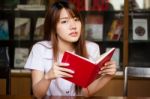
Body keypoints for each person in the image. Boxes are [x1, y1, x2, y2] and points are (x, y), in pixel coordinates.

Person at [24, 0, 116, 98]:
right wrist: (48, 77)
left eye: (76, 19)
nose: (73, 26)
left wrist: (108, 76)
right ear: (53, 27)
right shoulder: (40, 49)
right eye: (64, 21)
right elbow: (38, 95)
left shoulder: (91, 48)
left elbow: (86, 93)